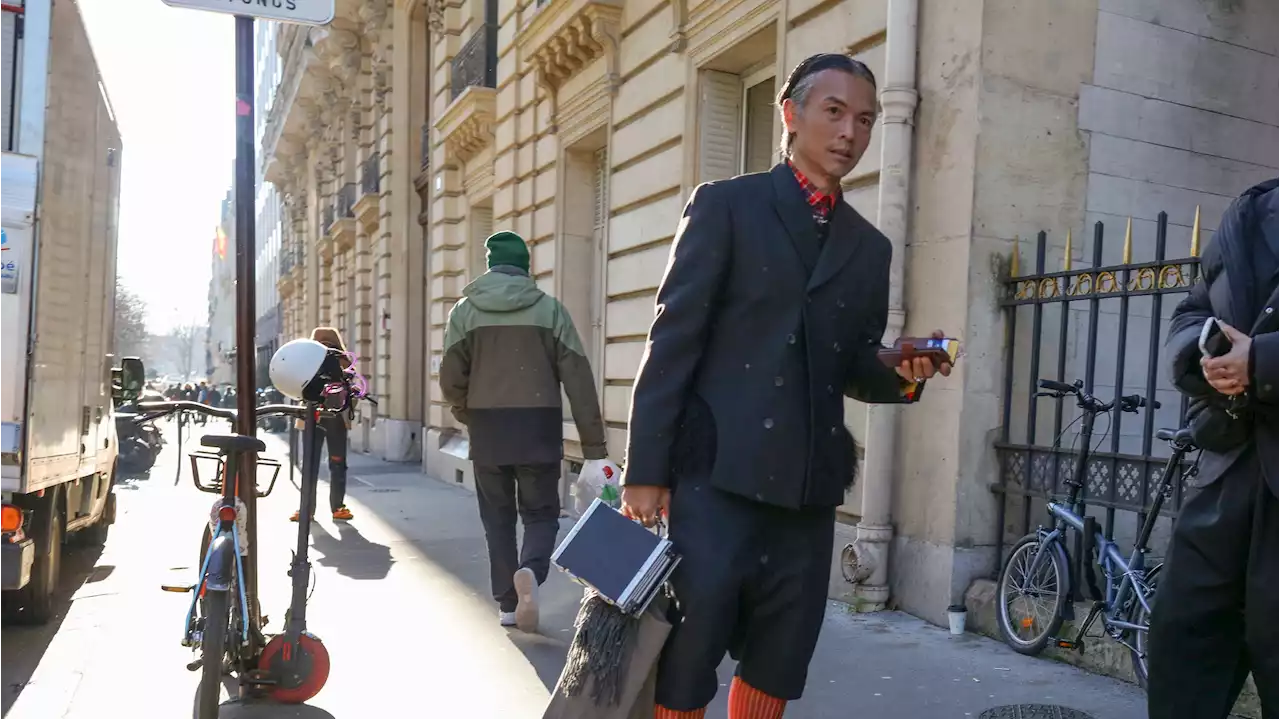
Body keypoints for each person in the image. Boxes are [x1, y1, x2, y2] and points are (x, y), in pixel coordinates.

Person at [619, 53, 952, 719]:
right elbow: (673, 340)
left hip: (807, 491)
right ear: (791, 114)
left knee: (780, 656)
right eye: (834, 112)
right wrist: (646, 470)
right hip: (716, 477)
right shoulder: (727, 206)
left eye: (864, 119)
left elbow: (852, 364)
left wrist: (902, 372)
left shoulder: (870, 248)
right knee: (688, 651)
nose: (850, 133)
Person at [1151, 176, 1280, 718]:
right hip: (1225, 475)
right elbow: (1190, 312)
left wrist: (1265, 362)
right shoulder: (1255, 209)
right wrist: (1202, 354)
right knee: (1182, 658)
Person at [439, 230, 610, 632]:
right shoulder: (550, 310)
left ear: (489, 264)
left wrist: (467, 413)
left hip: (488, 432)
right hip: (539, 429)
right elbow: (579, 380)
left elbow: (450, 377)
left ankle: (507, 604)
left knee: (496, 519)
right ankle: (531, 570)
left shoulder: (464, 312)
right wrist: (594, 447)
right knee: (540, 513)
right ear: (525, 267)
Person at [290, 327, 356, 522]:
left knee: (310, 464)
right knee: (337, 463)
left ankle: (307, 510)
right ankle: (337, 507)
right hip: (335, 418)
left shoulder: (308, 360)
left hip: (313, 417)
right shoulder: (344, 361)